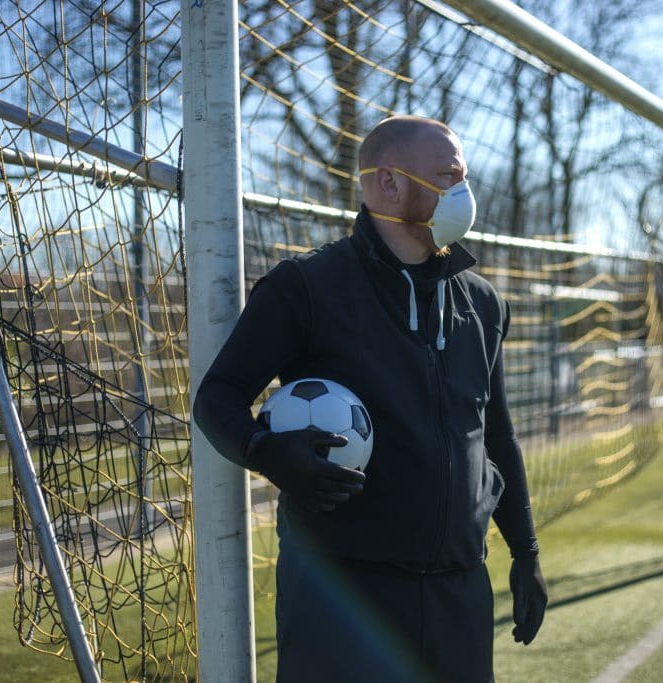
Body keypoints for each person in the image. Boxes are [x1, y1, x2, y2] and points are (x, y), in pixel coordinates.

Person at [193, 115, 547, 682]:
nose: (462, 193)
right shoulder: (305, 287)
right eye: (448, 177)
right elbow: (217, 397)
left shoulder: (483, 304)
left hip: (459, 591)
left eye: (464, 178)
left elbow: (495, 435)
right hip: (341, 595)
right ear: (389, 183)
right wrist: (266, 452)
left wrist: (524, 551)